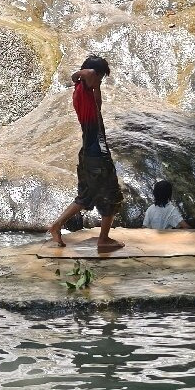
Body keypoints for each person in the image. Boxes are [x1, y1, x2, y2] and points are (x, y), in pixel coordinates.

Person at [48, 55, 124, 252]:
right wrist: (77, 75)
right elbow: (88, 73)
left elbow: (98, 103)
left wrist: (96, 85)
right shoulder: (82, 88)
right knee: (111, 196)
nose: (100, 81)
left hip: (90, 153)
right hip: (96, 155)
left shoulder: (84, 93)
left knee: (86, 196)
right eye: (100, 77)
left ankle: (57, 226)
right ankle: (103, 239)